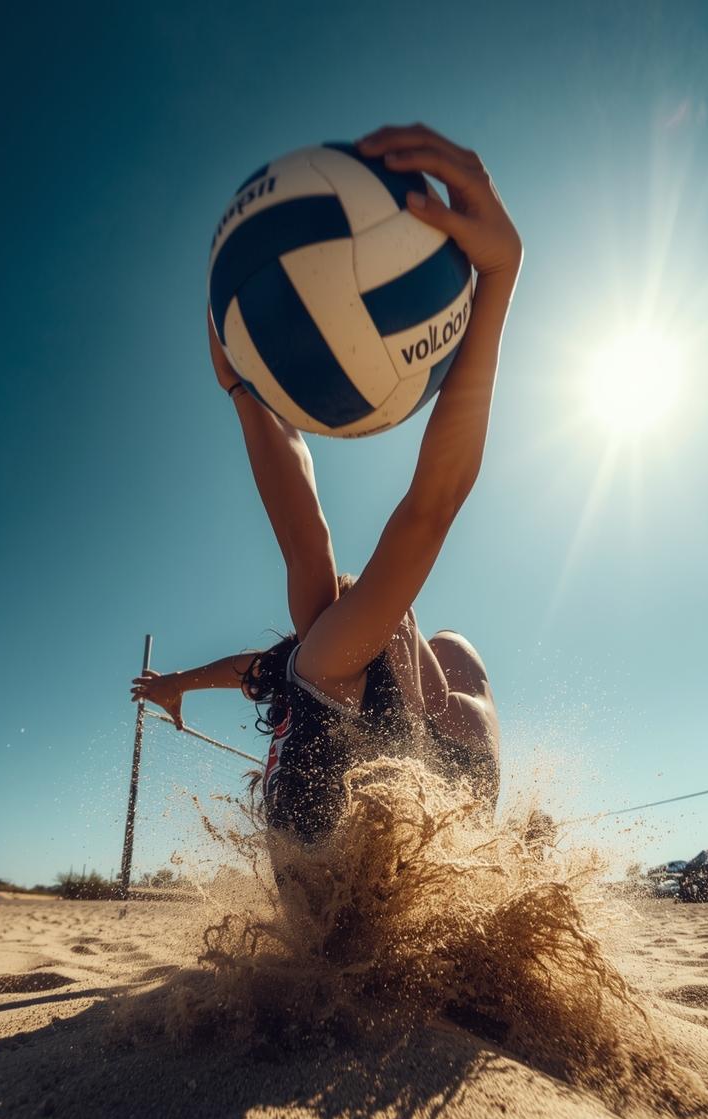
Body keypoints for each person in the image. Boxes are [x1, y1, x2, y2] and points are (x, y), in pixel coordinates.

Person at [132, 124, 522, 845]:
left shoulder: (315, 665)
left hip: (373, 808)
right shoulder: (333, 662)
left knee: (392, 622)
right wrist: (498, 277)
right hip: (410, 796)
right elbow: (419, 510)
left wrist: (179, 681)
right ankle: (482, 846)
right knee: (454, 647)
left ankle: (473, 841)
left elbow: (290, 580)